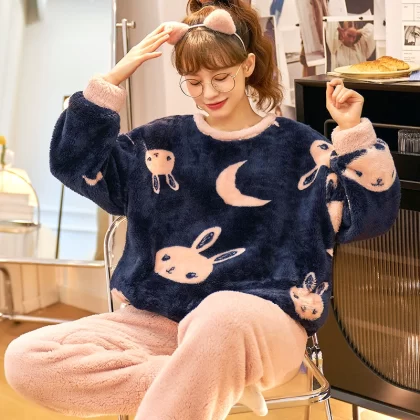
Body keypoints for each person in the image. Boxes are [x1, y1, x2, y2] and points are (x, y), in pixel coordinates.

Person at [4, 2, 400, 420]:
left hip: (260, 322)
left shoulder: (302, 148)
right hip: (157, 321)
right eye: (193, 82)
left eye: (220, 77)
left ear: (247, 66)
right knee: (27, 358)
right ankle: (209, 383)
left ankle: (207, 378)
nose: (208, 93)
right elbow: (73, 163)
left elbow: (372, 214)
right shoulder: (157, 143)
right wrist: (111, 80)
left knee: (220, 313)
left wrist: (352, 133)